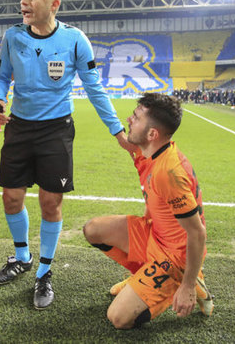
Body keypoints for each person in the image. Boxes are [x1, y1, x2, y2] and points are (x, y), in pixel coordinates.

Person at [0, 0, 135, 309]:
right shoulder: (13, 36)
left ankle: (44, 272)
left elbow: (95, 88)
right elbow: (2, 76)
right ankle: (22, 257)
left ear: (54, 4)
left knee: (50, 202)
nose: (24, 2)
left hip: (56, 130)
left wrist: (118, 132)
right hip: (19, 127)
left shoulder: (74, 39)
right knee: (11, 198)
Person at [83, 93, 213, 329]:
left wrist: (186, 286)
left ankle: (189, 281)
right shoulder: (148, 149)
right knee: (93, 230)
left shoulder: (169, 172)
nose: (129, 120)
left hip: (175, 257)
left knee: (119, 318)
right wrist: (95, 94)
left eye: (135, 117)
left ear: (152, 134)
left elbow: (197, 233)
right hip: (155, 235)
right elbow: (123, 139)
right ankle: (145, 275)